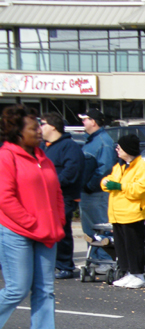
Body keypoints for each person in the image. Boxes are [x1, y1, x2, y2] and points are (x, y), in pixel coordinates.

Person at [0, 105, 71, 329]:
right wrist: (32, 223)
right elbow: (4, 198)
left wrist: (59, 221)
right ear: (17, 133)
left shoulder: (44, 158)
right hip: (15, 232)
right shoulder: (6, 157)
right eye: (33, 128)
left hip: (46, 233)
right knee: (17, 289)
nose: (40, 131)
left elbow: (56, 193)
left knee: (45, 290)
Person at [101, 134, 145, 289]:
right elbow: (106, 181)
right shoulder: (120, 166)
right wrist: (107, 183)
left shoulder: (141, 166)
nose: (117, 149)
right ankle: (128, 272)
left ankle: (138, 274)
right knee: (121, 246)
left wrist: (119, 187)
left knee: (133, 245)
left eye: (120, 147)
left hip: (132, 213)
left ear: (128, 149)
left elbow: (140, 189)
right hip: (117, 214)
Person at [41, 112, 84, 279]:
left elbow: (71, 172)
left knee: (62, 231)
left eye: (43, 123)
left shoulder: (69, 146)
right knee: (48, 232)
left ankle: (65, 265)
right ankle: (52, 264)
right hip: (44, 197)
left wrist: (49, 182)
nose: (40, 127)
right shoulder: (45, 146)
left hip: (63, 197)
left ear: (53, 126)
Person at [79, 109, 116, 271]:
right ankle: (95, 259)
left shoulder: (103, 141)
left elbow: (105, 169)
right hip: (88, 193)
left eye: (85, 119)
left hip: (97, 194)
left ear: (93, 121)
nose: (83, 122)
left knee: (101, 227)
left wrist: (89, 186)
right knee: (90, 229)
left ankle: (105, 260)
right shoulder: (93, 140)